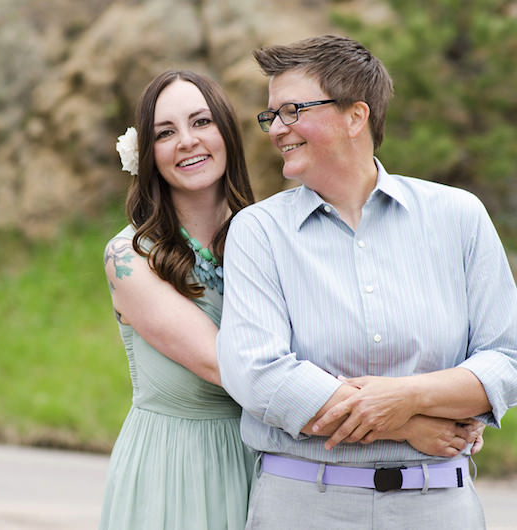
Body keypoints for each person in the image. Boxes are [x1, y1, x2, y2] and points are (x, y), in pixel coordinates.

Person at [217, 34, 516, 529]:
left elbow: (504, 359)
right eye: (272, 115)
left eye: (292, 110)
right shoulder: (258, 231)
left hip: (439, 508)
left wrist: (406, 400)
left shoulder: (459, 215)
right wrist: (407, 424)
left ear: (356, 116)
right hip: (303, 507)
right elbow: (259, 375)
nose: (276, 129)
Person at [99, 70, 256, 529]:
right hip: (173, 474)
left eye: (201, 122)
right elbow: (223, 365)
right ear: (148, 156)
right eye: (165, 133)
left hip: (268, 467)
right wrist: (395, 419)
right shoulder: (129, 256)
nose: (187, 141)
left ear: (227, 132)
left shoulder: (270, 237)